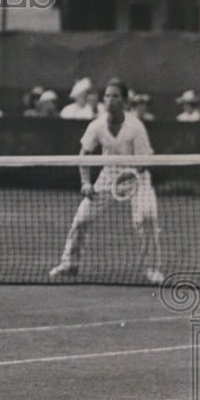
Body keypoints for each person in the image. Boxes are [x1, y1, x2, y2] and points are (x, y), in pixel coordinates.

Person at [49, 79, 163, 285]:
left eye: (115, 96)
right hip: (108, 178)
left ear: (125, 101)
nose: (110, 100)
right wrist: (85, 183)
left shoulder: (136, 127)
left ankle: (152, 268)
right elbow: (84, 154)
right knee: (81, 220)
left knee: (147, 220)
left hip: (138, 180)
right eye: (107, 96)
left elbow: (144, 162)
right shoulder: (97, 125)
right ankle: (69, 263)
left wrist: (128, 176)